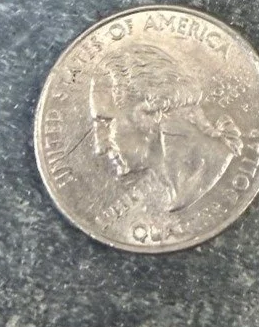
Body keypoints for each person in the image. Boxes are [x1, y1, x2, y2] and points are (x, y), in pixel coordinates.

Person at [88, 43, 243, 212]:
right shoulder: (182, 186)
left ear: (149, 111)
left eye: (106, 123)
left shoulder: (212, 166)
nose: (99, 148)